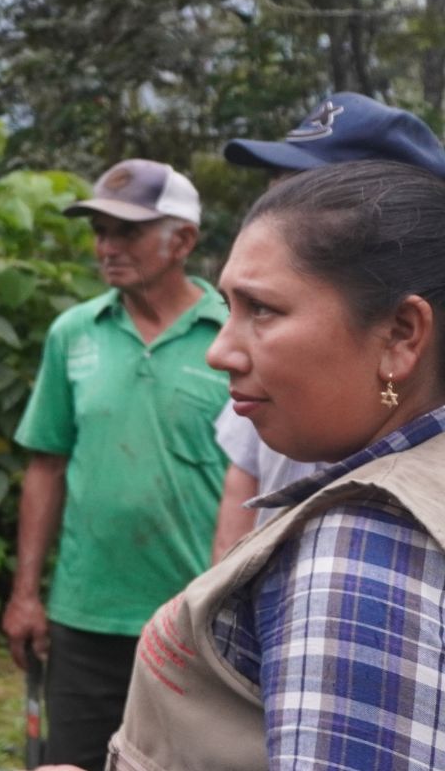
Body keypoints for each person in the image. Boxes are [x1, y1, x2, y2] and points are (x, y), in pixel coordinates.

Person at [71, 161, 445, 769]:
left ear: (401, 334)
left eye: (262, 310)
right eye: (229, 307)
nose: (220, 351)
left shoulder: (357, 551)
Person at [1, 159, 229, 771]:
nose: (107, 247)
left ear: (183, 240)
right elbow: (46, 466)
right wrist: (25, 595)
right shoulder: (73, 333)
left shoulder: (231, 337)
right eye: (100, 231)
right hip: (86, 616)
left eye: (128, 231)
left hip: (193, 618)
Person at [207, 92, 445, 560]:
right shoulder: (271, 385)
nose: (283, 208)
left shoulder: (356, 547)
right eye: (280, 185)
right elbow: (243, 484)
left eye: (325, 190)